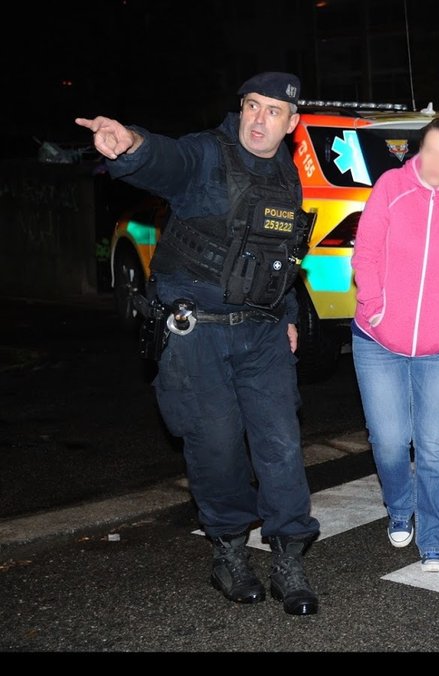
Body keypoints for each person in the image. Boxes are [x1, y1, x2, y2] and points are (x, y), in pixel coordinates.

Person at [75, 72, 321, 616]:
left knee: (281, 445)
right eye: (252, 106)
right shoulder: (207, 155)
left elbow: (276, 255)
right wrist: (131, 144)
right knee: (216, 448)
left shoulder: (286, 171)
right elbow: (165, 160)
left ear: (292, 123)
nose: (260, 119)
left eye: (274, 111)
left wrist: (284, 312)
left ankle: (288, 556)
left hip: (261, 333)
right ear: (241, 109)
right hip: (197, 332)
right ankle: (230, 553)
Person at [350, 111, 439, 573]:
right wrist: (377, 306)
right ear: (418, 149)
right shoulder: (390, 185)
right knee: (389, 442)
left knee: (432, 444)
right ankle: (399, 508)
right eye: (431, 151)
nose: (437, 162)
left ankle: (434, 540)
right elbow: (364, 253)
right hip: (377, 338)